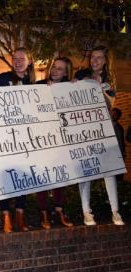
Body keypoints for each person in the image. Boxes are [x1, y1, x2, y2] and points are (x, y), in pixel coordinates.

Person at [75, 45, 125, 226]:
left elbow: (111, 102)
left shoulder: (110, 79)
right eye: (92, 57)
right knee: (85, 172)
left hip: (104, 131)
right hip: (84, 132)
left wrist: (99, 87)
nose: (94, 61)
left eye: (98, 58)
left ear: (105, 60)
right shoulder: (81, 75)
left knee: (109, 172)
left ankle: (115, 212)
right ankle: (86, 213)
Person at [0, 47, 35, 233]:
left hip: (27, 138)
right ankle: (6, 216)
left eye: (22, 58)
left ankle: (20, 214)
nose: (17, 61)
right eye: (15, 58)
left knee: (24, 174)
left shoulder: (35, 83)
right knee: (4, 174)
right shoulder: (2, 79)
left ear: (29, 60)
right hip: (5, 138)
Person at [35, 57, 74, 229]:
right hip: (42, 139)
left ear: (66, 72)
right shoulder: (39, 85)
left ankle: (60, 210)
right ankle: (43, 213)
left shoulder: (70, 87)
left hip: (61, 139)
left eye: (60, 69)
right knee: (43, 177)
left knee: (60, 176)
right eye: (54, 67)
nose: (55, 71)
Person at [111, 107, 126, 181]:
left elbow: (121, 141)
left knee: (118, 175)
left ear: (118, 117)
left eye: (115, 114)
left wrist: (122, 153)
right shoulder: (106, 126)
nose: (113, 115)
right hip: (109, 154)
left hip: (118, 154)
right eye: (112, 113)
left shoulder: (119, 127)